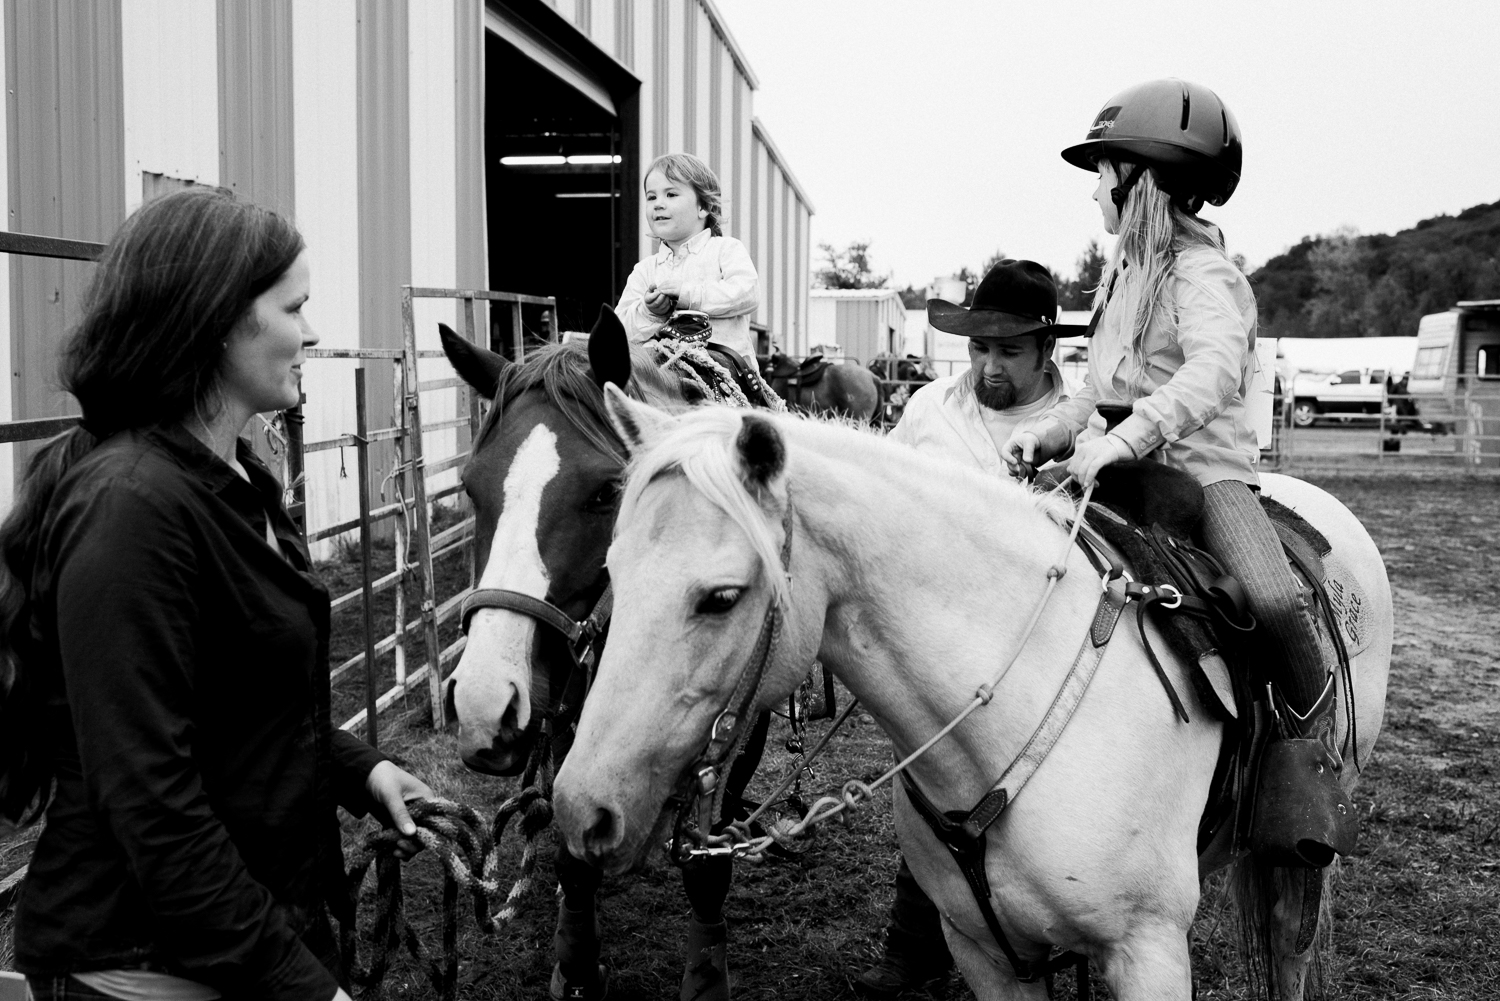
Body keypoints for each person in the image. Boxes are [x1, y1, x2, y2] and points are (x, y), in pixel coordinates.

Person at [0, 188, 433, 1000]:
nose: (311, 333)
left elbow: (242, 703)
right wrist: (301, 985)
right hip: (147, 963)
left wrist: (364, 772)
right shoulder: (133, 508)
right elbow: (152, 805)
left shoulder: (238, 479)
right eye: (295, 308)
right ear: (217, 321)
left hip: (230, 943)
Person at [1005, 79, 1350, 862]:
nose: (1095, 192)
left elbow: (1214, 371)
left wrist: (1127, 441)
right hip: (1118, 466)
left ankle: (1307, 759)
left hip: (1203, 473)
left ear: (1143, 179)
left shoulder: (1204, 278)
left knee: (1272, 598)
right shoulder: (1121, 275)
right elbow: (1095, 394)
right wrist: (1045, 432)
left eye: (1103, 173)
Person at [859, 260, 1083, 997]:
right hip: (935, 647)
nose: (989, 365)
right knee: (937, 791)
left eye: (1008, 351)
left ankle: (1042, 933)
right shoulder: (929, 411)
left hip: (1037, 654)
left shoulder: (1079, 428)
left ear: (1046, 348)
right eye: (980, 348)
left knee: (1032, 813)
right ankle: (914, 947)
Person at [615, 153, 759, 362]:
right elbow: (619, 330)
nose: (658, 204)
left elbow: (748, 294)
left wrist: (688, 294)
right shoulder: (644, 270)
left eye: (671, 194)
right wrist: (649, 312)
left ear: (703, 207)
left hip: (723, 368)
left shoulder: (726, 249)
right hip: (662, 371)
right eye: (651, 197)